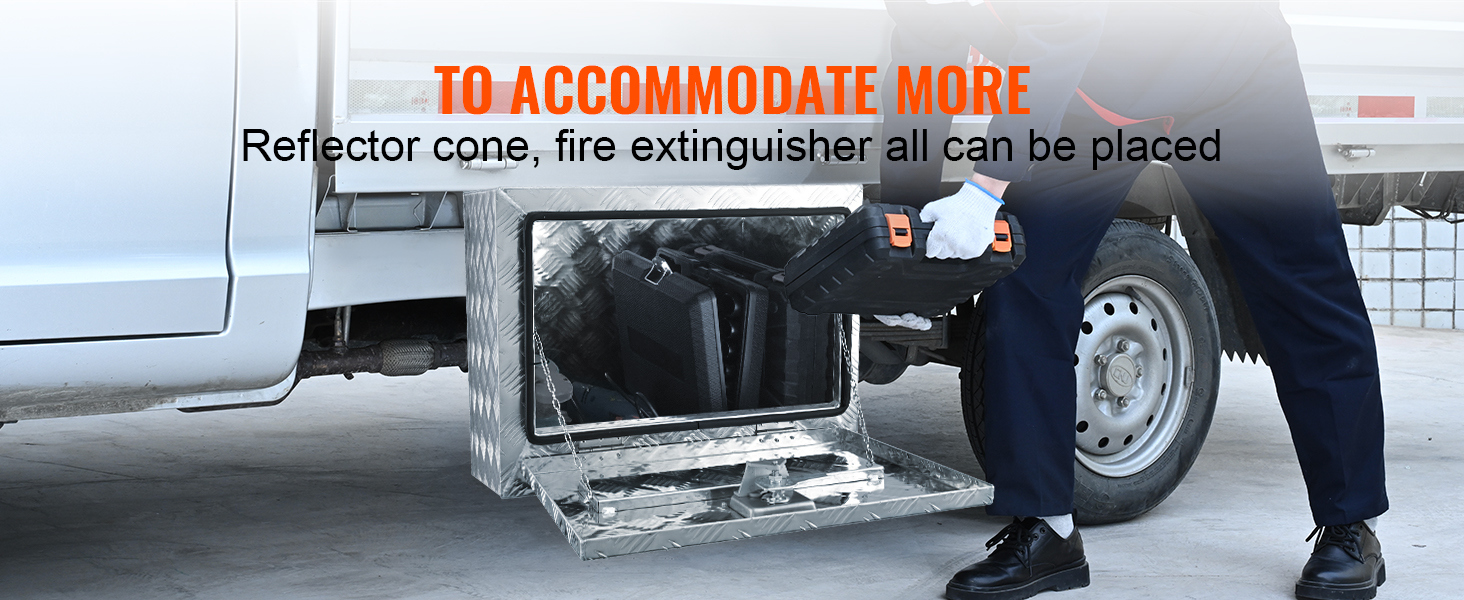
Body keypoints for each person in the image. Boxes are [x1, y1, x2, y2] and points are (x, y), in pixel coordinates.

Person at [876, 3, 1388, 599]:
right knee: (1026, 271)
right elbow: (922, 68)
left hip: (1230, 69)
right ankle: (1047, 528)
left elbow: (1061, 32)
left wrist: (984, 188)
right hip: (1097, 95)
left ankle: (1352, 525)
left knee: (1302, 281)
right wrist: (902, 238)